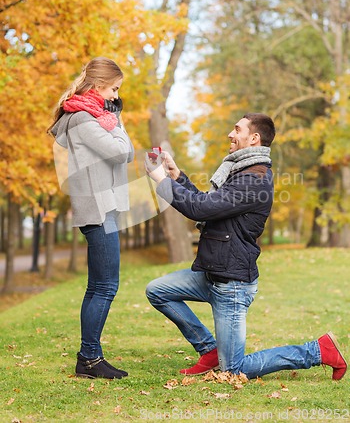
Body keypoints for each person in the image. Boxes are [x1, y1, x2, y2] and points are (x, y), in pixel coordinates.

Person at [145, 113, 347, 381]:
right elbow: (209, 204)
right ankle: (209, 351)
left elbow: (199, 208)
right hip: (213, 273)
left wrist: (162, 181)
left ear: (254, 138)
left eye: (237, 129)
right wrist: (177, 176)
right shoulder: (239, 171)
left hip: (232, 286)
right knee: (157, 291)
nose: (231, 134)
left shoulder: (254, 179)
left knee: (234, 370)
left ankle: (317, 351)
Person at [48, 57, 134, 379]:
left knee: (99, 285)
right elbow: (123, 152)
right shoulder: (84, 119)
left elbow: (123, 150)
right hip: (97, 209)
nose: (115, 96)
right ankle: (89, 358)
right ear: (98, 86)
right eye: (113, 89)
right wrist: (118, 121)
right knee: (105, 286)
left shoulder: (95, 116)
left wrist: (113, 120)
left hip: (103, 206)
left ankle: (90, 357)